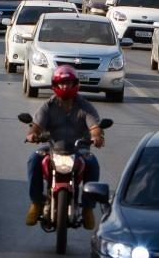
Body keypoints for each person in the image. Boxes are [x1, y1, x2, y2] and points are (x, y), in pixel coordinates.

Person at [24, 65, 105, 229]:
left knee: (93, 163)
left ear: (75, 84)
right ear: (55, 84)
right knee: (33, 160)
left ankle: (88, 208)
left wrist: (97, 137)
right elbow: (36, 125)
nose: (65, 86)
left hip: (79, 150)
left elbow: (95, 126)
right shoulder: (48, 105)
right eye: (61, 83)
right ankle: (36, 203)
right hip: (53, 148)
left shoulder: (85, 106)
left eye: (69, 83)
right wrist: (32, 134)